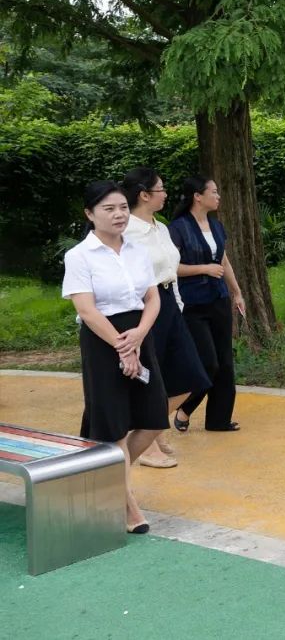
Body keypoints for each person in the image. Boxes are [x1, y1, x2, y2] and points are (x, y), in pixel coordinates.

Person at [62, 180, 168, 533]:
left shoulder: (137, 250)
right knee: (115, 424)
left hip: (139, 333)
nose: (119, 214)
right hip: (103, 339)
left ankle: (104, 477)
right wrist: (123, 346)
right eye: (109, 209)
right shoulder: (79, 256)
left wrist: (139, 335)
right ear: (90, 214)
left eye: (122, 207)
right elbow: (87, 310)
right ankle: (127, 506)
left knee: (154, 416)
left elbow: (152, 298)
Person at [121, 167, 213, 467]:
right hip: (142, 306)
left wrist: (177, 305)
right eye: (160, 188)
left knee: (190, 376)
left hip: (169, 302)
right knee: (148, 378)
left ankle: (152, 430)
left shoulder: (160, 228)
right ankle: (147, 446)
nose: (166, 193)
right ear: (144, 195)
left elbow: (170, 270)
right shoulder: (127, 230)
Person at [168, 176, 245, 432]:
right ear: (197, 196)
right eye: (214, 191)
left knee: (225, 363)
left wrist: (237, 293)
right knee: (208, 362)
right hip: (193, 304)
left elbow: (223, 261)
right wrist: (203, 268)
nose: (218, 196)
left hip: (219, 299)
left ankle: (218, 420)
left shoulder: (216, 225)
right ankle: (185, 408)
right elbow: (171, 267)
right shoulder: (178, 228)